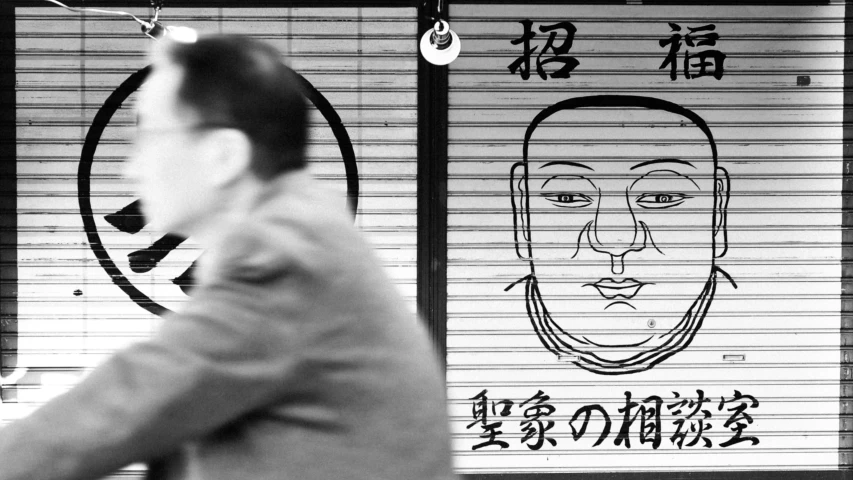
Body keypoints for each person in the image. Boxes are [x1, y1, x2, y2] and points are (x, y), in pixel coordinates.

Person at [0, 34, 455, 480]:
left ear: (223, 155)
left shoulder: (286, 264)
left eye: (149, 135)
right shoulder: (307, 236)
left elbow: (105, 416)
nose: (130, 168)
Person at [510, 95, 733, 375]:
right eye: (567, 197)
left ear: (718, 212)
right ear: (523, 215)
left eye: (661, 197)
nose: (616, 241)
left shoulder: (757, 322)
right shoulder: (484, 325)